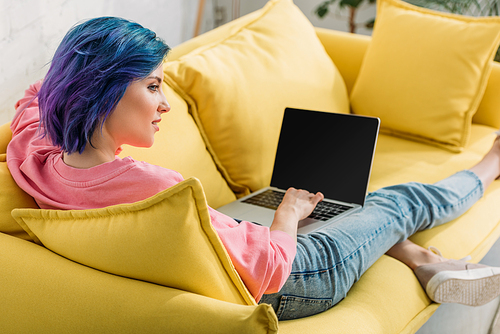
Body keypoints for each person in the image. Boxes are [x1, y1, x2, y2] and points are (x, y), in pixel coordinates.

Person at [7, 17, 500, 320]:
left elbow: (33, 99)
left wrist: (74, 84)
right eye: (153, 86)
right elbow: (269, 267)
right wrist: (286, 213)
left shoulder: (37, 159)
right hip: (299, 278)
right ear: (103, 91)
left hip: (241, 245)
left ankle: (423, 262)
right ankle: (490, 165)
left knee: (347, 206)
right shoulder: (161, 192)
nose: (165, 105)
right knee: (395, 200)